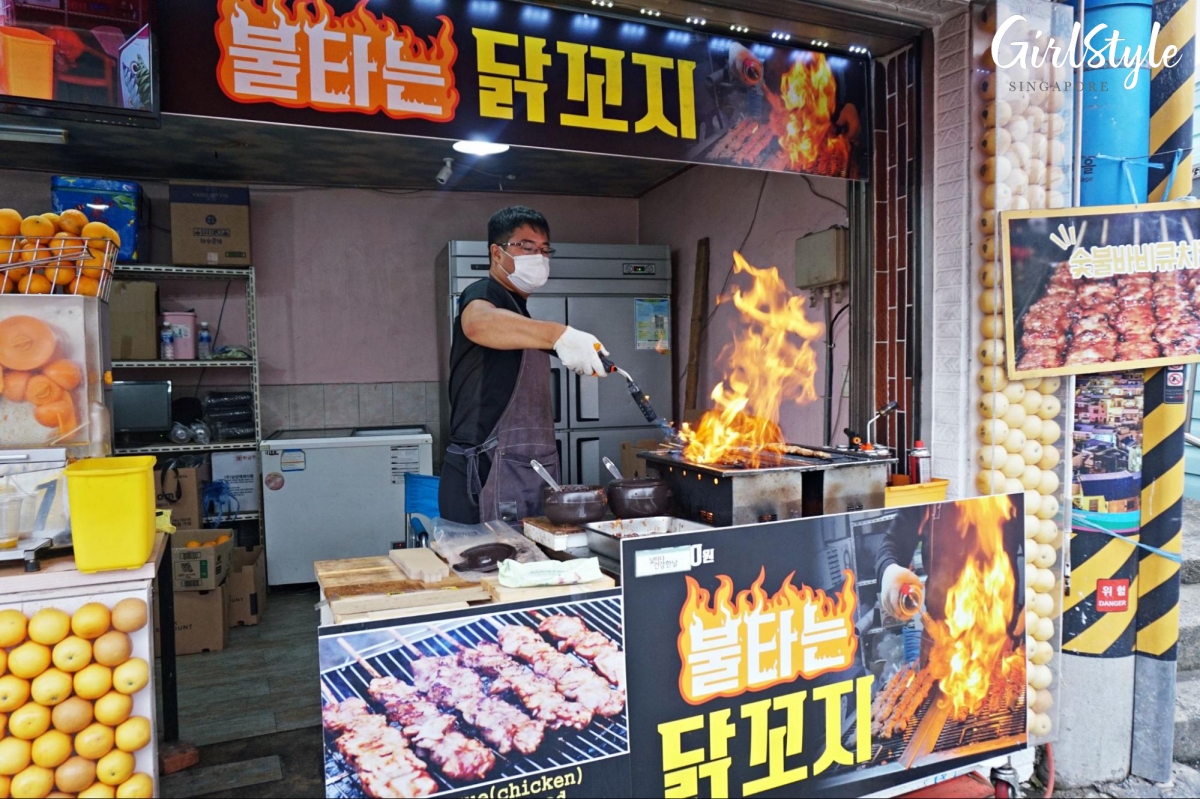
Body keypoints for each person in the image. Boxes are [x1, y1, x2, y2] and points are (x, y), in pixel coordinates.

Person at [439, 207, 609, 524]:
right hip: (485, 477)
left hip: (520, 474)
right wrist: (559, 334)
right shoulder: (484, 292)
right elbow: (477, 322)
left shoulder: (519, 312)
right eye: (527, 247)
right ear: (497, 253)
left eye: (544, 250)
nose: (539, 257)